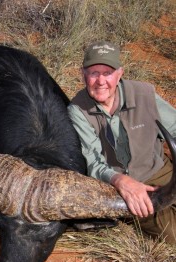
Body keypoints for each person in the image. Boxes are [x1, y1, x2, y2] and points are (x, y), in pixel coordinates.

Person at [68, 41, 176, 244]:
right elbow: (93, 162)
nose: (101, 81)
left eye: (107, 73)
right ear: (83, 74)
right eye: (93, 73)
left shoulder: (144, 94)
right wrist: (121, 182)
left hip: (160, 169)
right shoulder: (77, 110)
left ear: (119, 74)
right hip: (123, 186)